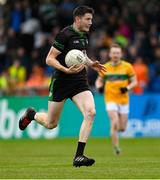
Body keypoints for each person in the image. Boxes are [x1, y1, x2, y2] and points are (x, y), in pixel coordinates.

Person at [19, 6, 106, 167]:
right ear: (78, 19)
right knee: (51, 124)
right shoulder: (64, 34)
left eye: (91, 19)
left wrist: (90, 63)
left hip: (79, 81)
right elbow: (49, 59)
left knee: (91, 112)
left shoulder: (84, 35)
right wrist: (65, 69)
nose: (91, 22)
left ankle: (79, 156)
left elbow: (81, 55)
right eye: (88, 19)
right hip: (62, 82)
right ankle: (32, 115)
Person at [95, 44, 137, 155]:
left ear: (121, 54)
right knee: (114, 122)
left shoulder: (127, 67)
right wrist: (99, 87)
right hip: (110, 99)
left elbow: (134, 82)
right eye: (113, 53)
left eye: (117, 53)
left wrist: (127, 88)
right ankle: (116, 148)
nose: (115, 55)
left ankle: (116, 130)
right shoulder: (105, 67)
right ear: (109, 54)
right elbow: (99, 80)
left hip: (123, 100)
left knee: (122, 128)